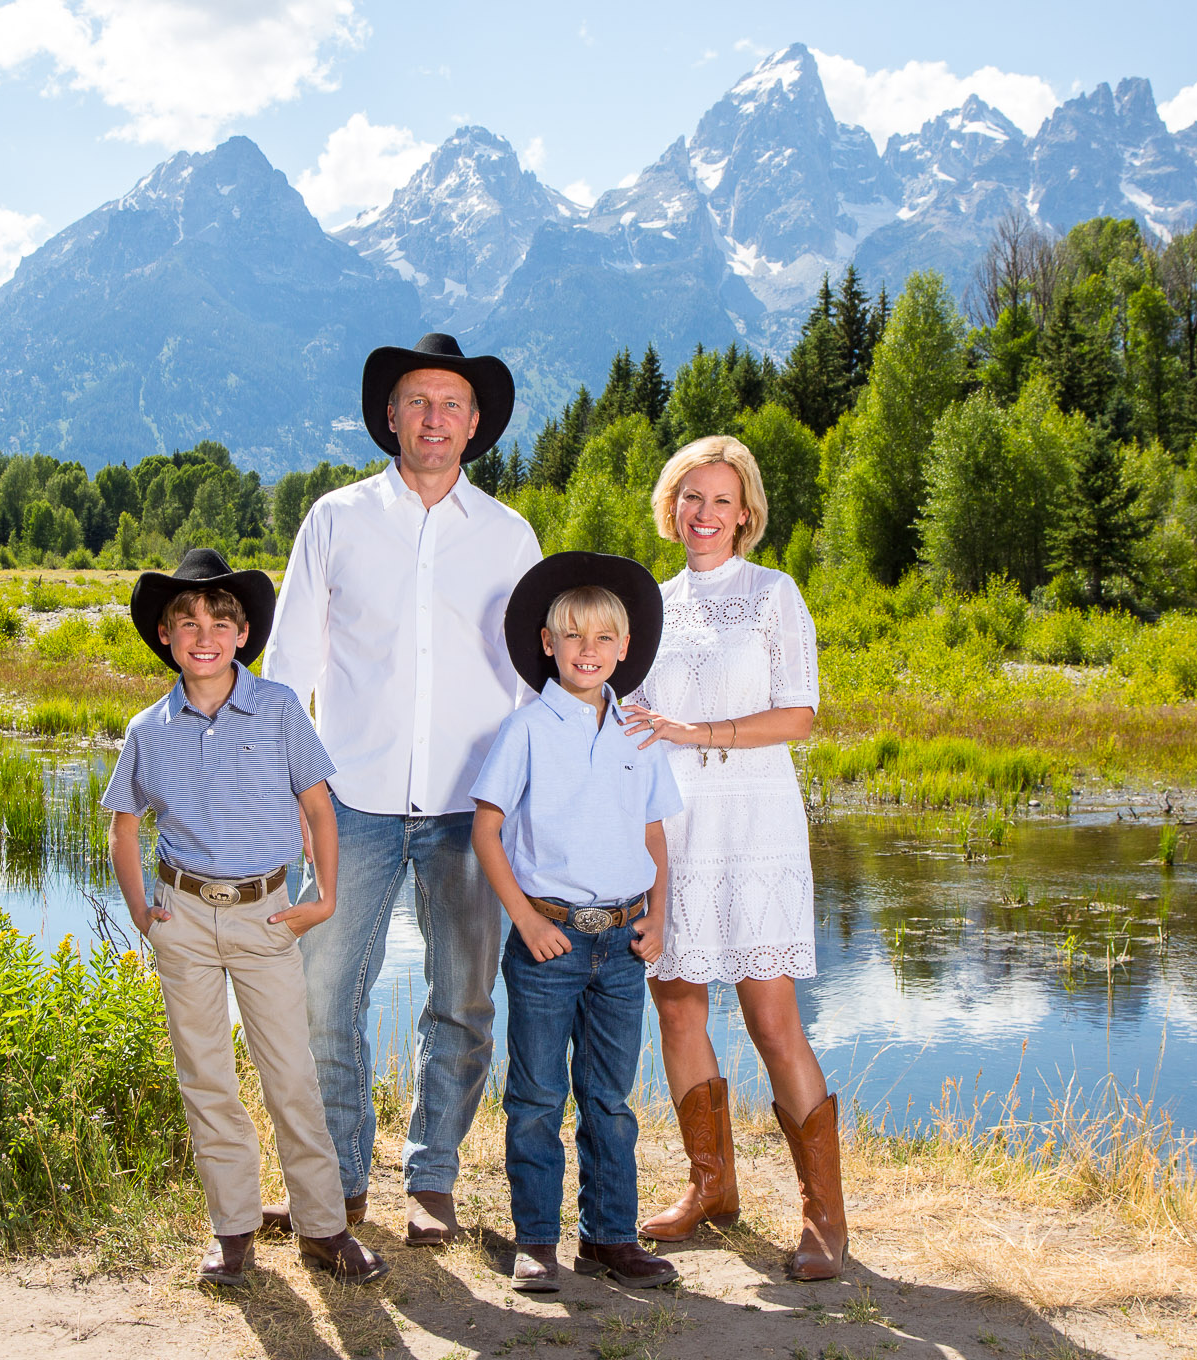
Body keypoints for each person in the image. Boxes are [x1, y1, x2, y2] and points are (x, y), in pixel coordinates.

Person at [261, 333, 543, 1244]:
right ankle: (340, 1181)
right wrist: (294, 798)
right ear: (390, 414)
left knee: (462, 1001)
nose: (434, 418)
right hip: (352, 803)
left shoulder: (509, 536)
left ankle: (432, 1177)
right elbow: (291, 664)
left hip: (473, 811)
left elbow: (538, 680)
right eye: (418, 401)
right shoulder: (336, 520)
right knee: (319, 998)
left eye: (451, 405)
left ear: (474, 426)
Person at [102, 548, 386, 1289]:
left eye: (219, 621)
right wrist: (143, 912)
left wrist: (320, 898)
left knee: (291, 1072)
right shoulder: (148, 727)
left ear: (241, 634)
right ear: (166, 635)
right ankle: (233, 1231)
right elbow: (123, 825)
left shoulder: (282, 707)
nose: (203, 633)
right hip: (185, 918)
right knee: (206, 1077)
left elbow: (318, 805)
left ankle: (323, 1228)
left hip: (267, 916)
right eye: (187, 620)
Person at [621, 436, 844, 1281]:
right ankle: (712, 1189)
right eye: (689, 498)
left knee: (770, 1019)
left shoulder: (773, 596)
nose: (703, 514)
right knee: (677, 1007)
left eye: (720, 500)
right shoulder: (650, 606)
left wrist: (698, 733)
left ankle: (824, 1218)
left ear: (745, 512)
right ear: (670, 507)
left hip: (754, 825)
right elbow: (627, 718)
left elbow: (799, 715)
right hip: (673, 832)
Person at [470, 553, 683, 1293]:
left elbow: (656, 834)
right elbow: (487, 831)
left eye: (602, 638)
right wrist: (524, 920)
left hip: (623, 942)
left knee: (610, 1100)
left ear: (624, 649)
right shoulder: (527, 729)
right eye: (572, 638)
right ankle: (536, 1242)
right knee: (535, 1098)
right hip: (550, 943)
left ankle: (610, 1238)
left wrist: (661, 918)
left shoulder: (640, 733)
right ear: (547, 645)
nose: (587, 651)